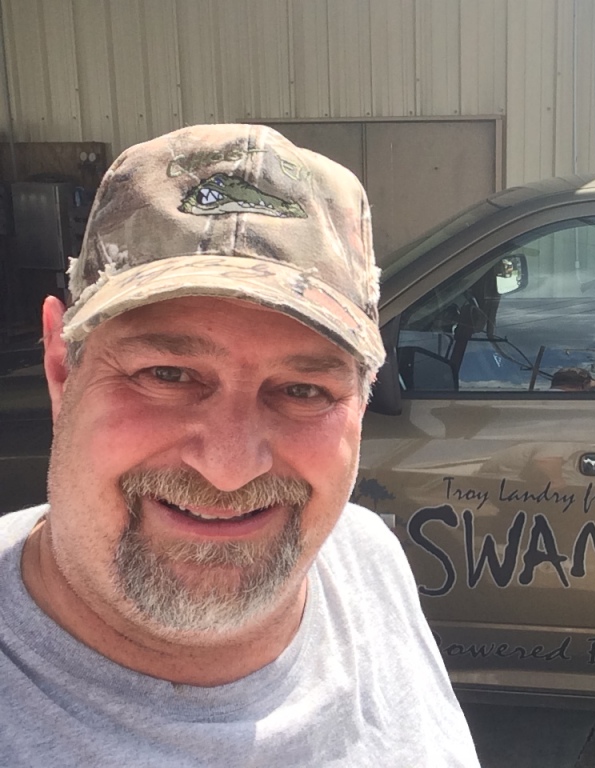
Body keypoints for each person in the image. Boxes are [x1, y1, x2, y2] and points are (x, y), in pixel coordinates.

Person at [0, 124, 480, 766]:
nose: (228, 468)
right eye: (165, 375)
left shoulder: (362, 560)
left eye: (304, 390)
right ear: (62, 368)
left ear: (361, 398)